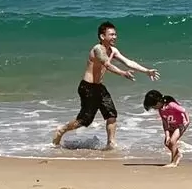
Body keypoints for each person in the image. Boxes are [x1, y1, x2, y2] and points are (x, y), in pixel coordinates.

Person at [53, 21, 160, 150]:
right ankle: (61, 130)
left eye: (115, 34)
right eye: (111, 34)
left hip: (99, 87)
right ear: (102, 36)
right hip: (87, 88)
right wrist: (122, 73)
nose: (114, 37)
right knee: (84, 121)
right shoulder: (98, 49)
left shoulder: (113, 50)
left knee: (111, 115)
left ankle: (111, 143)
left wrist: (146, 71)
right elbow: (107, 65)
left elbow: (128, 62)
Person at [143, 90, 190, 167]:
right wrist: (167, 135)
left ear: (158, 102)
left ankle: (173, 162)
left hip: (181, 125)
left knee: (173, 141)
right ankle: (178, 154)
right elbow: (165, 123)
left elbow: (183, 110)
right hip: (172, 125)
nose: (154, 108)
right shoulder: (161, 110)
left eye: (153, 106)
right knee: (167, 142)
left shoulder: (171, 105)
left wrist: (187, 121)